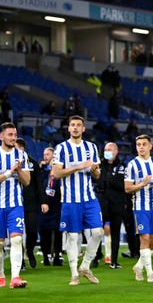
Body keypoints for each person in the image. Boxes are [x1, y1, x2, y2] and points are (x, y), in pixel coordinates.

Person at [51, 115, 103, 286]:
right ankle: (74, 274)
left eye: (78, 125)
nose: (75, 128)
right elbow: (56, 173)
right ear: (68, 128)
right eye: (72, 125)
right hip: (70, 199)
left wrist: (94, 169)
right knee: (73, 237)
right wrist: (78, 166)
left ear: (83, 129)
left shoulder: (91, 147)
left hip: (89, 198)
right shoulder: (61, 148)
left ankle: (85, 266)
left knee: (98, 232)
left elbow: (97, 175)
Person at [0, 123, 31, 288]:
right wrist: (9, 172)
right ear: (1, 136)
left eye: (15, 134)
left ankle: (16, 277)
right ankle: (0, 275)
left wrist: (19, 171)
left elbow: (27, 182)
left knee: (17, 239)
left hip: (15, 205)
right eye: (10, 134)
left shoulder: (21, 155)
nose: (13, 138)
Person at [125, 135, 153, 282]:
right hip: (140, 206)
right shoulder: (132, 164)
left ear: (150, 146)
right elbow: (127, 188)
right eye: (138, 145)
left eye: (144, 144)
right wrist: (143, 184)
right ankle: (150, 273)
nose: (141, 147)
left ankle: (139, 265)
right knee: (144, 238)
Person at [95, 142, 127, 269]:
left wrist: (110, 181)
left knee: (115, 232)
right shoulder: (99, 165)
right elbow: (97, 182)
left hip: (117, 203)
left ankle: (114, 260)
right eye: (106, 149)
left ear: (116, 152)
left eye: (110, 149)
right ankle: (96, 256)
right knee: (97, 231)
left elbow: (123, 185)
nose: (107, 151)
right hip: (102, 202)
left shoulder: (122, 166)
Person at [16, 137, 40, 269]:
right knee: (17, 234)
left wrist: (43, 202)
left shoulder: (33, 164)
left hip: (30, 203)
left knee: (32, 231)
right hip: (15, 203)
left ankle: (29, 251)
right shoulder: (8, 164)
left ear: (23, 149)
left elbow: (39, 185)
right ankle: (21, 261)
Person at [38, 147, 63, 266]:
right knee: (44, 231)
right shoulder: (42, 171)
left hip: (57, 204)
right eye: (44, 154)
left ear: (54, 156)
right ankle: (46, 256)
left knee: (58, 231)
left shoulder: (59, 169)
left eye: (48, 154)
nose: (45, 156)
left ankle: (57, 255)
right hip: (44, 203)